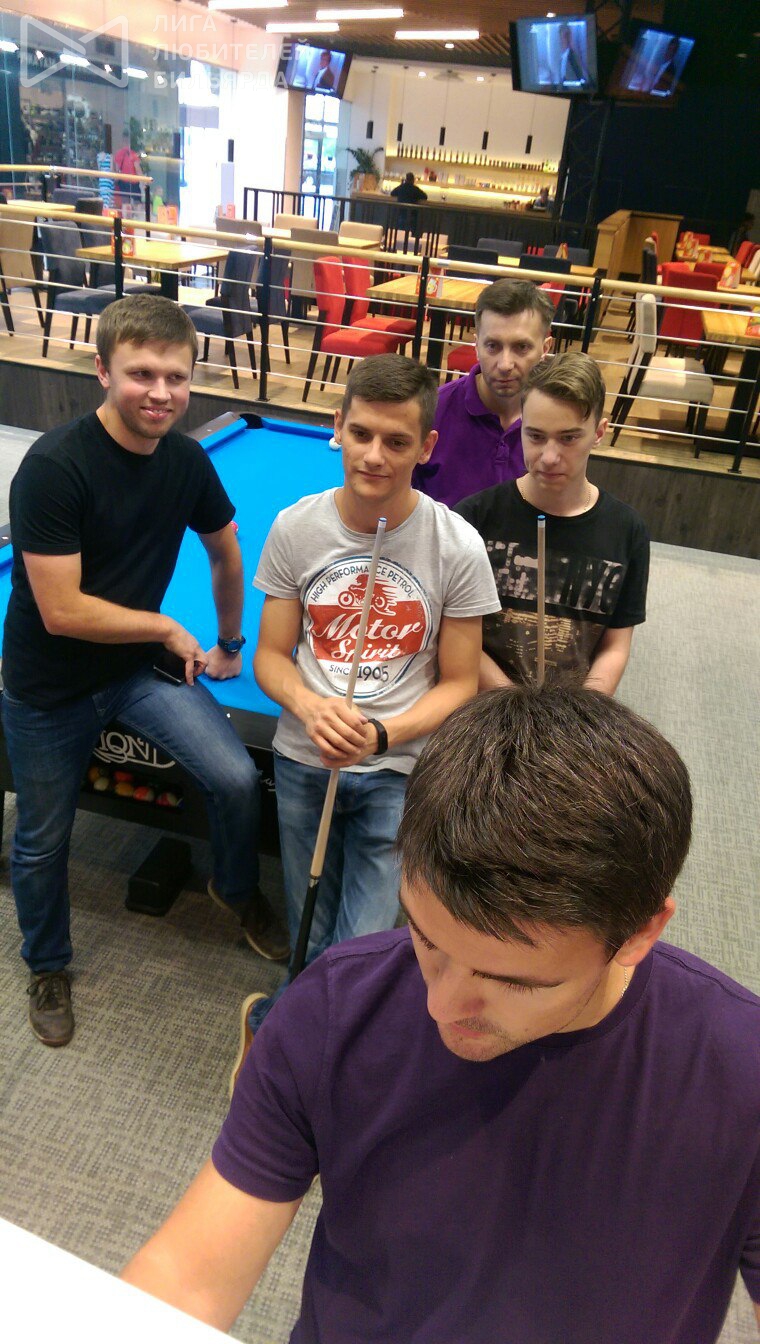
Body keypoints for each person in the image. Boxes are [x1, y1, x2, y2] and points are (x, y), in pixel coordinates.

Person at [120, 685, 760, 1344]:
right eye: (426, 939)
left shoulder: (742, 1074)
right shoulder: (335, 1010)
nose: (441, 1007)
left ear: (640, 932)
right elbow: (189, 1279)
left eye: (513, 982)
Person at [1, 295, 288, 1049]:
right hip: (47, 690)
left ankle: (235, 890)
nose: (161, 393)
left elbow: (225, 550)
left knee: (235, 779)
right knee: (42, 840)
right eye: (141, 374)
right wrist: (165, 626)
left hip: (131, 673)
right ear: (103, 371)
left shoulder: (186, 461)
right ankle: (47, 964)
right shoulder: (54, 468)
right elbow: (60, 610)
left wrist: (230, 641)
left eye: (176, 377)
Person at [239, 353, 500, 1055]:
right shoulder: (296, 527)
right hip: (305, 758)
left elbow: (460, 683)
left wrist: (382, 735)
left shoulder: (458, 545)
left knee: (363, 941)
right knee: (308, 926)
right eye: (361, 434)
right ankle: (290, 1045)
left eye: (396, 441)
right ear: (338, 427)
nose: (374, 456)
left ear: (427, 446)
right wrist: (309, 705)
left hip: (397, 770)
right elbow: (270, 657)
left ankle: (301, 1044)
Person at [456, 352, 649, 694]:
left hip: (573, 710)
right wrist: (519, 707)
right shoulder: (473, 517)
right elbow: (458, 633)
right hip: (484, 705)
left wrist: (579, 712)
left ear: (599, 432)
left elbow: (615, 646)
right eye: (535, 436)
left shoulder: (627, 530)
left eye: (568, 438)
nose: (548, 457)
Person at [413, 278, 554, 508]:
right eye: (493, 346)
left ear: (545, 349)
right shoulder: (431, 412)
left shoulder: (557, 421)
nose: (505, 364)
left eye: (521, 347)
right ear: (477, 346)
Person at [390, 171, 428, 239]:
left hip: (401, 214)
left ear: (406, 179)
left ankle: (399, 243)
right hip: (412, 215)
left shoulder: (401, 187)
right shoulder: (415, 189)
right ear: (413, 180)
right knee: (411, 234)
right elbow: (425, 197)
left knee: (400, 233)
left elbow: (392, 193)